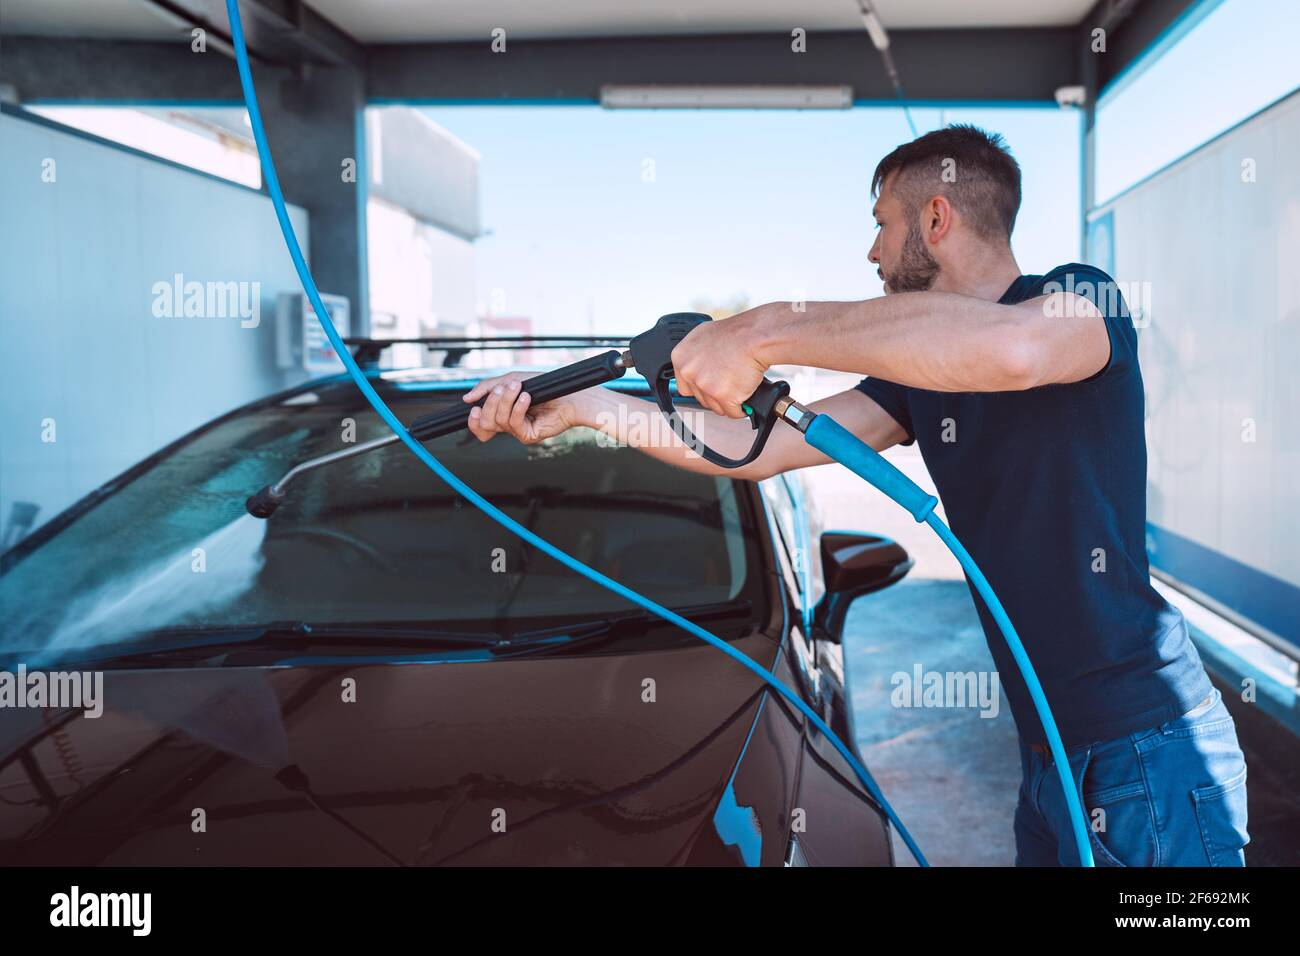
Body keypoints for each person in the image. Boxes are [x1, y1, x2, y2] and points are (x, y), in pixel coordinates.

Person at [461, 124, 1249, 867]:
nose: (870, 250)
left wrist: (762, 328)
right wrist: (580, 410)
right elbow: (753, 449)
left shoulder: (1082, 300)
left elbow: (1013, 351)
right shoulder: (919, 380)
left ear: (936, 217)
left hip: (1149, 747)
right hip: (1048, 756)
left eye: (881, 223)